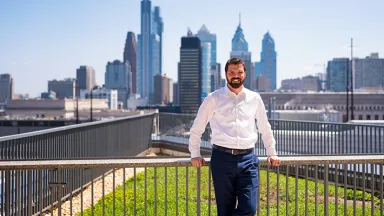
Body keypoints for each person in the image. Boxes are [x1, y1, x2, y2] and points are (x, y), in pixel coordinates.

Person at [189, 57, 280, 216]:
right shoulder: (213, 98)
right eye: (231, 72)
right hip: (222, 158)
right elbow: (197, 128)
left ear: (245, 74)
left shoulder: (254, 98)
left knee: (249, 209)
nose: (235, 75)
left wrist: (271, 152)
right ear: (226, 74)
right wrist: (195, 154)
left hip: (248, 159)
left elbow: (264, 127)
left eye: (239, 72)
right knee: (225, 210)